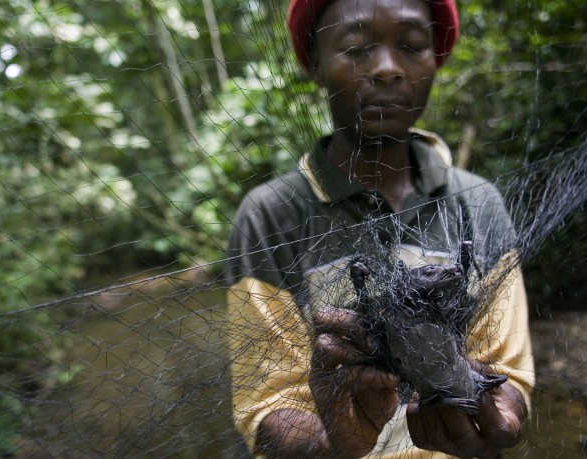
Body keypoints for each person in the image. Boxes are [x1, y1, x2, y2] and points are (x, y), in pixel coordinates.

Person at [225, 0, 534, 457]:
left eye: (411, 46)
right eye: (355, 47)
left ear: (435, 59)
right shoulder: (270, 214)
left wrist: (501, 412)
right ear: (315, 63)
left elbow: (509, 371)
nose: (388, 68)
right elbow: (268, 402)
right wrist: (331, 443)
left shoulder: (478, 202)